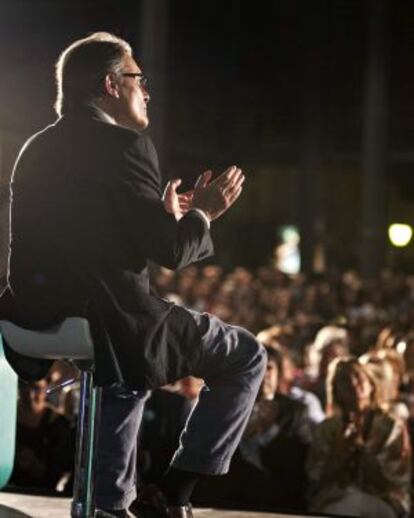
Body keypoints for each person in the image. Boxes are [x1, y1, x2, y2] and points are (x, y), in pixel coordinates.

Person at [1, 32, 267, 518]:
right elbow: (172, 252)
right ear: (110, 84)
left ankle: (110, 502)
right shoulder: (126, 146)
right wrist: (203, 214)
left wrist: (160, 214)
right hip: (107, 317)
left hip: (27, 315)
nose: (146, 90)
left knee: (126, 364)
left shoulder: (35, 147)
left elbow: (87, 234)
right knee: (247, 355)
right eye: (138, 79)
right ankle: (174, 493)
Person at [307, 357, 411, 518]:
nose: (354, 385)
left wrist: (362, 451)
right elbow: (315, 476)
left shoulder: (390, 427)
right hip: (336, 500)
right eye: (345, 381)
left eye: (358, 377)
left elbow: (397, 478)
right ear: (336, 391)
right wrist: (339, 451)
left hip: (383, 501)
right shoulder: (327, 429)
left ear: (370, 384)